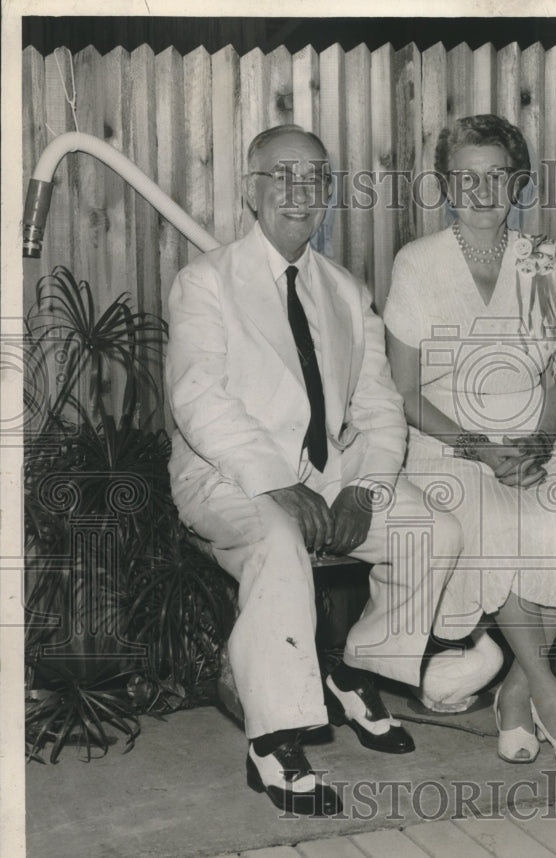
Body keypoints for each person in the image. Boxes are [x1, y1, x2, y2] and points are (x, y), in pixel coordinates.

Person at [165, 124, 468, 817]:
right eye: (283, 175)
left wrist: (363, 486)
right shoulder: (204, 282)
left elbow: (381, 403)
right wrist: (275, 482)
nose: (300, 192)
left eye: (315, 179)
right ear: (251, 189)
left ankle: (353, 666)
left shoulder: (343, 288)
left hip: (327, 473)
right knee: (277, 540)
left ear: (328, 194)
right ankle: (273, 742)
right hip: (226, 474)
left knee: (435, 531)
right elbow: (197, 398)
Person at [384, 114, 556, 769]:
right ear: (445, 186)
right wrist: (482, 449)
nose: (482, 193)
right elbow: (405, 394)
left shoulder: (542, 260)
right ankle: (547, 691)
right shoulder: (418, 263)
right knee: (490, 518)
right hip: (448, 441)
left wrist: (541, 441)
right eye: (467, 178)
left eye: (497, 177)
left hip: (538, 431)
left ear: (516, 183)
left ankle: (514, 695)